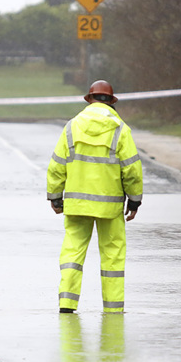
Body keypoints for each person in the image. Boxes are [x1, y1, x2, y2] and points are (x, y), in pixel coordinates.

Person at [47, 80, 143, 314]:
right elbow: (131, 168)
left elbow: (57, 165)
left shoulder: (72, 126)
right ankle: (113, 308)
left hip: (77, 204)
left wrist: (55, 196)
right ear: (111, 102)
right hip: (109, 208)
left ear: (89, 99)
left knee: (72, 252)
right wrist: (135, 199)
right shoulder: (120, 128)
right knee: (113, 256)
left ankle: (67, 304)